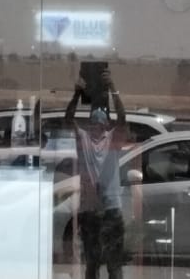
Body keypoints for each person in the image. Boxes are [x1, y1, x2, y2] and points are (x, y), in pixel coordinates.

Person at [65, 69, 132, 279]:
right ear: (90, 125)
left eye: (100, 123)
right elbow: (68, 119)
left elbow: (122, 117)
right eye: (93, 123)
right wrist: (77, 93)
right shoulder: (83, 139)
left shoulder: (112, 140)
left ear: (106, 125)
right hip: (91, 210)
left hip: (110, 209)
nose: (97, 126)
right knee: (92, 265)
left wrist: (112, 87)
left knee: (113, 265)